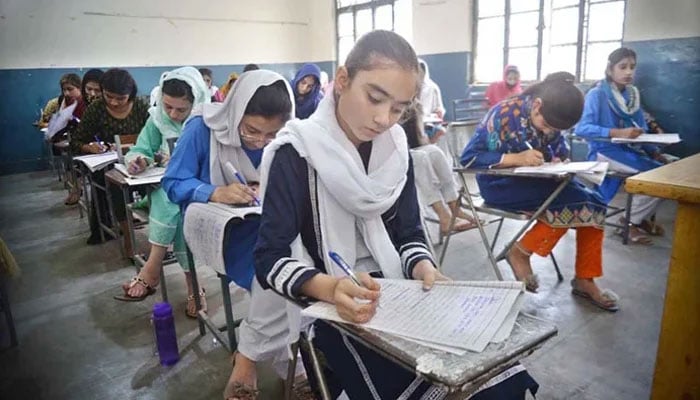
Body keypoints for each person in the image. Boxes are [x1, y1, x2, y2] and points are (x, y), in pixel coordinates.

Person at [255, 30, 539, 399]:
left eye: (399, 108)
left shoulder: (395, 150)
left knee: (494, 380)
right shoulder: (295, 153)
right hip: (332, 303)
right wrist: (330, 287)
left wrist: (424, 269)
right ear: (342, 81)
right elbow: (269, 256)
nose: (383, 119)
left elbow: (408, 231)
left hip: (399, 289)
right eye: (374, 98)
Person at [160, 70, 298, 400]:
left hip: (270, 222)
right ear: (235, 112)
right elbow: (172, 183)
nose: (260, 141)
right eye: (251, 130)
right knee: (274, 274)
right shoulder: (202, 128)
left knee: (300, 271)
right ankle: (294, 367)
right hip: (224, 229)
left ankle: (256, 358)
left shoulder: (288, 137)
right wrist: (215, 191)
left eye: (271, 133)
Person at [461, 72, 619, 312]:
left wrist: (559, 161)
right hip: (500, 185)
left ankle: (585, 279)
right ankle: (519, 252)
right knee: (572, 201)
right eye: (546, 125)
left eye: (554, 129)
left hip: (542, 182)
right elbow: (469, 159)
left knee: (596, 202)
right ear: (536, 105)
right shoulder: (503, 114)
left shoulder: (552, 120)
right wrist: (516, 157)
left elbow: (560, 150)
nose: (548, 132)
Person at [114, 67, 210, 317]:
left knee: (180, 201)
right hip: (165, 193)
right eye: (168, 106)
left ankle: (151, 269)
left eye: (181, 109)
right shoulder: (156, 119)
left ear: (196, 102)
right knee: (174, 202)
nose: (172, 114)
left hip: (201, 191)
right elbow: (141, 149)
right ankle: (193, 285)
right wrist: (138, 160)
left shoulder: (208, 120)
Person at [576, 47, 669, 244]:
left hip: (627, 151)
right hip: (603, 151)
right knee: (657, 178)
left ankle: (638, 218)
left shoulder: (633, 96)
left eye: (632, 67)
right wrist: (617, 133)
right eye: (623, 67)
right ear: (610, 69)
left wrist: (654, 152)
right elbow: (582, 129)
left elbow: (641, 130)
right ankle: (629, 222)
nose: (628, 72)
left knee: (665, 172)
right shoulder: (597, 94)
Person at [71, 68, 150, 252]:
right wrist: (89, 147)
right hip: (108, 164)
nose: (114, 102)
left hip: (139, 160)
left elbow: (153, 137)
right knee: (117, 186)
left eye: (120, 98)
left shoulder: (140, 106)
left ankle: (158, 232)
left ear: (130, 94)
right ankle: (128, 237)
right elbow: (77, 140)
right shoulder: (97, 108)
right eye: (108, 96)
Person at [401, 102, 477, 238]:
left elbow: (416, 141)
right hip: (393, 156)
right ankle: (444, 215)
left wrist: (430, 136)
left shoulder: (413, 106)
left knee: (434, 151)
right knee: (420, 158)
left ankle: (455, 207)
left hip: (407, 149)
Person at [63, 69, 106, 206]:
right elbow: (76, 139)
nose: (92, 94)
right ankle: (77, 190)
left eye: (97, 90)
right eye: (88, 89)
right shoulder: (79, 105)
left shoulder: (110, 105)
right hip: (90, 152)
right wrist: (88, 147)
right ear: (83, 88)